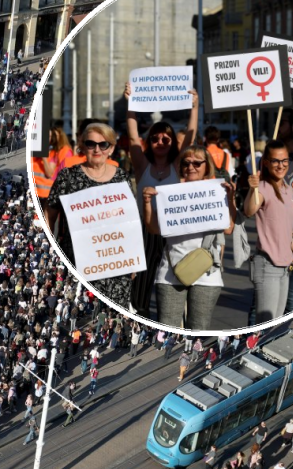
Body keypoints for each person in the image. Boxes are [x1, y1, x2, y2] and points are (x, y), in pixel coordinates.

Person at [142, 146, 237, 329]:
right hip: (170, 272)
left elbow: (228, 229)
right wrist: (147, 203)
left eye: (196, 163)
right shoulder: (170, 194)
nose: (190, 167)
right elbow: (153, 228)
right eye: (186, 163)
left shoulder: (217, 192)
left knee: (198, 331)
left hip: (207, 273)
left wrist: (231, 199)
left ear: (206, 166)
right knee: (167, 331)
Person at [125, 83, 199, 317]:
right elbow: (133, 136)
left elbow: (190, 138)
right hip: (145, 230)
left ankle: (169, 317)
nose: (160, 142)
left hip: (171, 230)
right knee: (142, 283)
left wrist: (195, 108)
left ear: (172, 143)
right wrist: (130, 105)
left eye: (166, 139)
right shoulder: (142, 166)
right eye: (155, 138)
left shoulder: (177, 167)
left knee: (171, 279)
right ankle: (139, 316)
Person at [46, 123, 136, 308]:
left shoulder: (122, 177)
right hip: (77, 262)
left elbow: (129, 221)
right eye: (90, 144)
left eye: (103, 145)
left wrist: (133, 259)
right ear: (81, 146)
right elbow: (50, 215)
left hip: (115, 264)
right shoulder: (67, 177)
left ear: (111, 148)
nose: (97, 149)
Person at [244, 140, 293, 323]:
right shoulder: (263, 187)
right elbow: (249, 210)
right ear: (266, 162)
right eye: (275, 161)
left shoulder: (288, 190)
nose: (281, 166)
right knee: (265, 324)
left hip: (285, 267)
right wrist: (252, 189)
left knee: (276, 323)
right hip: (267, 265)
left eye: (285, 160)